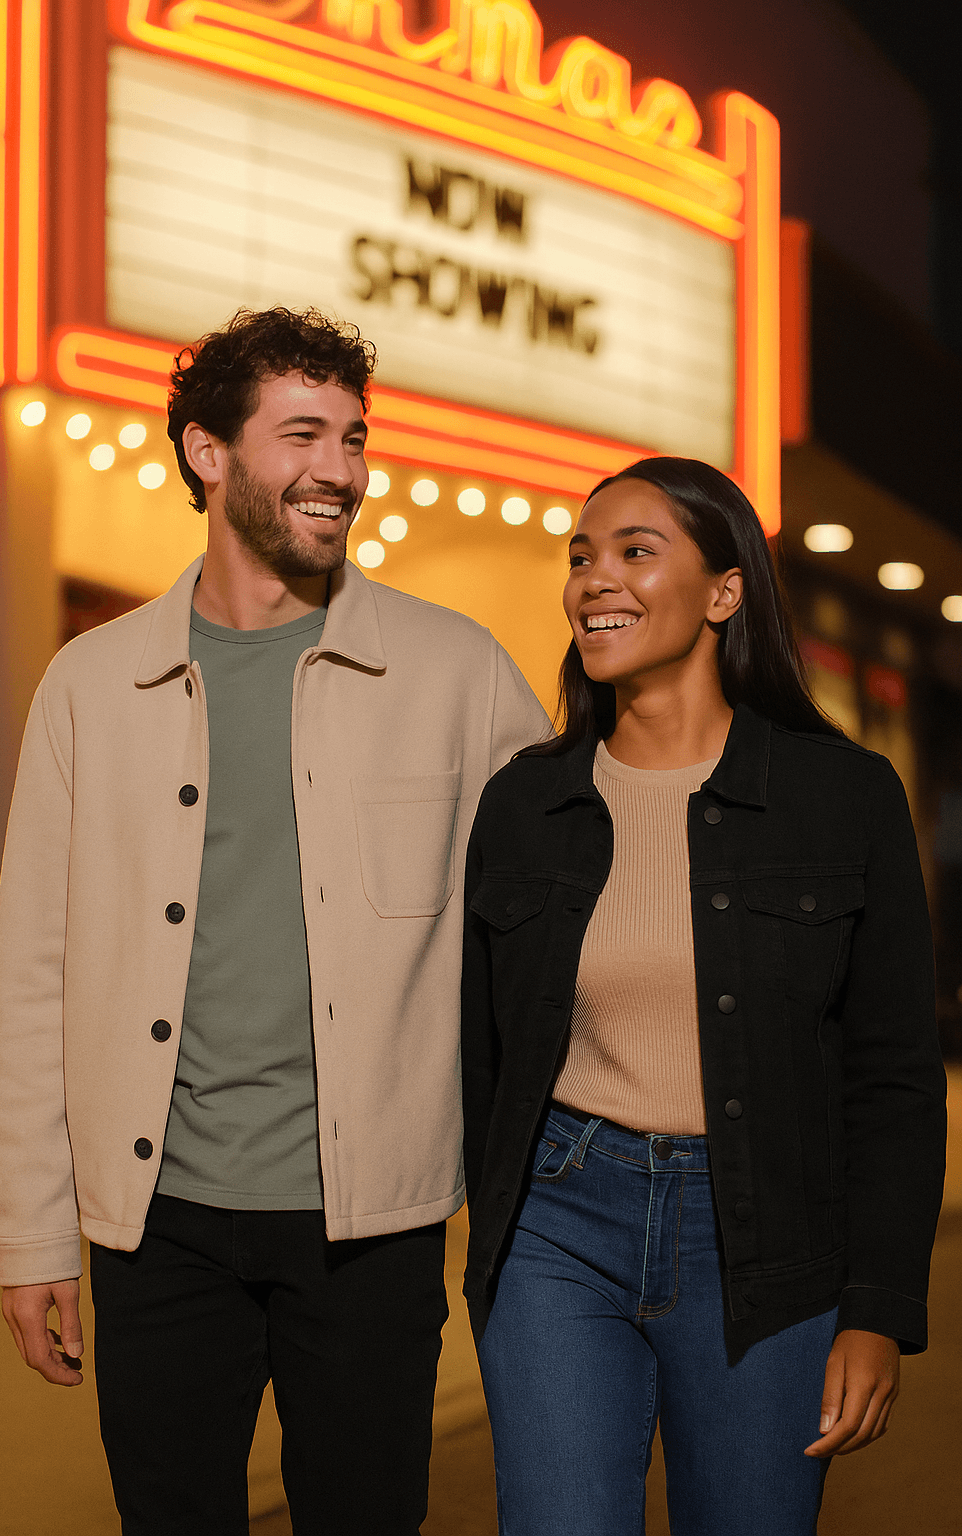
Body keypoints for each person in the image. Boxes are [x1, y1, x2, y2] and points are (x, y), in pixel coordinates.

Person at [0, 305, 549, 1536]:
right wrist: (33, 1236)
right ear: (206, 451)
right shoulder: (91, 683)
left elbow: (564, 913)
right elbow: (35, 971)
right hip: (156, 1228)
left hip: (374, 1226)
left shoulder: (458, 672)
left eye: (355, 436)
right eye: (304, 434)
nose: (342, 468)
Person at [461, 456, 947, 1536]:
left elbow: (894, 1080)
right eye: (581, 556)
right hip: (559, 1220)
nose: (596, 579)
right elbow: (480, 1049)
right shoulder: (524, 802)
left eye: (637, 551)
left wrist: (877, 1308)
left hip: (767, 1237)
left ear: (724, 592)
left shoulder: (843, 797)